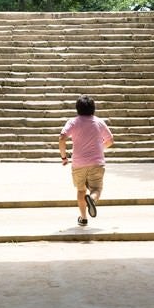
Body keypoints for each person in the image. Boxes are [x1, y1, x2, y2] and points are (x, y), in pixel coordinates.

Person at [59, 95, 114, 226]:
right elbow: (110, 140)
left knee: (81, 190)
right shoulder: (99, 122)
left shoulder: (73, 122)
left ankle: (83, 218)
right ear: (93, 108)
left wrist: (64, 157)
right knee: (96, 189)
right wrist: (100, 147)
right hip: (96, 162)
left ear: (77, 108)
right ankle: (92, 200)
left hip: (78, 164)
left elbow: (62, 138)